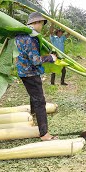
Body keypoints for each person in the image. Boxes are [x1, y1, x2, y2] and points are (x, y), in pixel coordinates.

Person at [15, 12, 58, 141]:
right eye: (42, 24)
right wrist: (50, 57)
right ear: (37, 23)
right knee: (40, 101)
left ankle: (33, 116)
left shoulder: (19, 34)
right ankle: (44, 134)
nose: (42, 27)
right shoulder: (31, 37)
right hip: (31, 72)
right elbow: (35, 60)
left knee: (34, 97)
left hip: (22, 71)